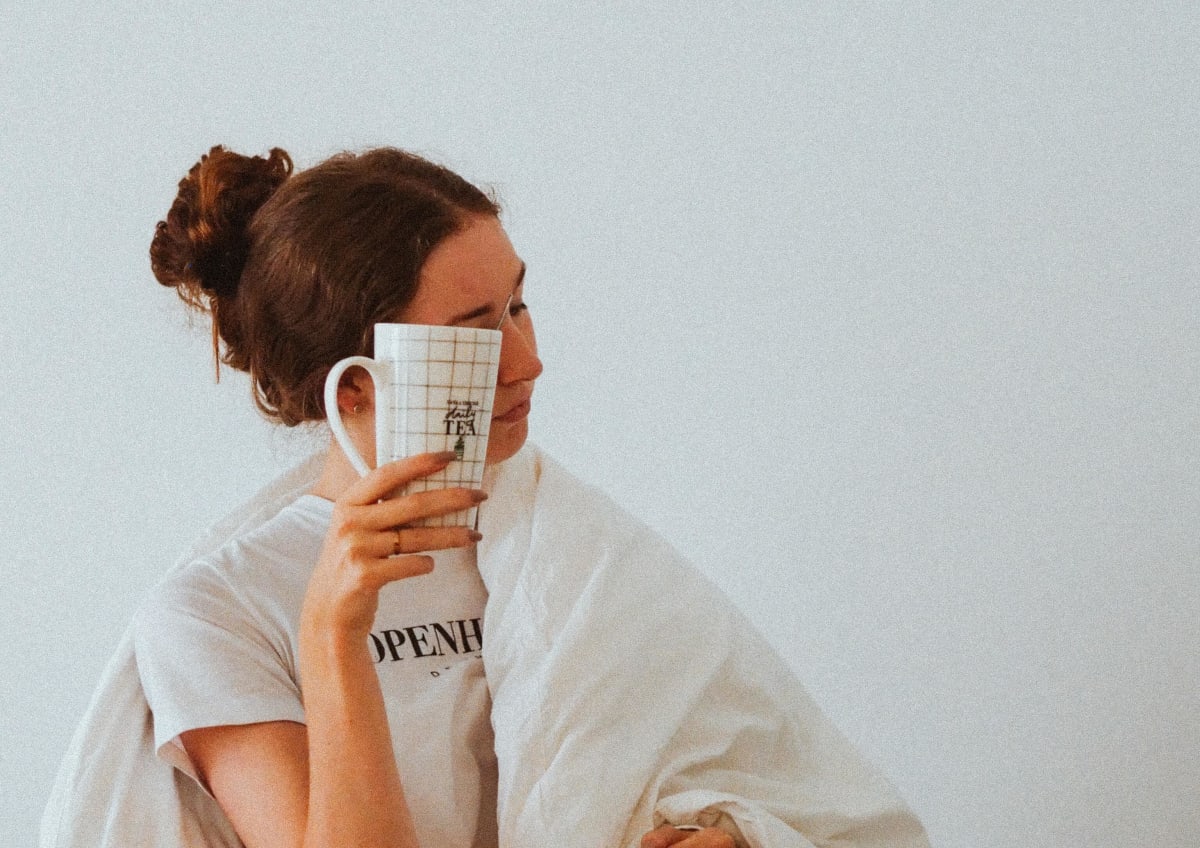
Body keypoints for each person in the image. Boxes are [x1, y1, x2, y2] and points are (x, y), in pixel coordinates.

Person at [120, 145, 929, 848]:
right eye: (475, 331)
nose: (526, 360)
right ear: (356, 386)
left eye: (520, 305)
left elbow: (759, 778)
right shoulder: (214, 614)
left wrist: (727, 835)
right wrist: (333, 634)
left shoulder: (574, 547)